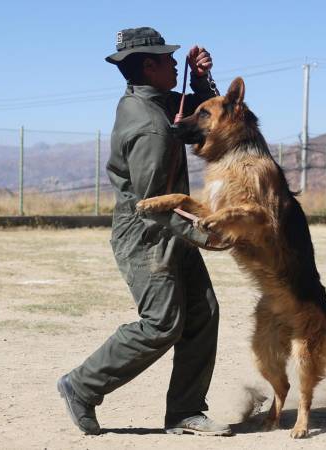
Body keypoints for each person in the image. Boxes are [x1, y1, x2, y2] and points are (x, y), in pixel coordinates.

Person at [57, 27, 231, 436]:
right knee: (161, 323)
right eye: (167, 59)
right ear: (148, 66)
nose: (174, 63)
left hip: (172, 228)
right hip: (147, 234)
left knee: (203, 313)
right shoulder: (149, 127)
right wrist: (207, 236)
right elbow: (151, 206)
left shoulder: (150, 100)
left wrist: (201, 77)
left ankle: (186, 411)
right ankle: (81, 385)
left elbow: (203, 113)